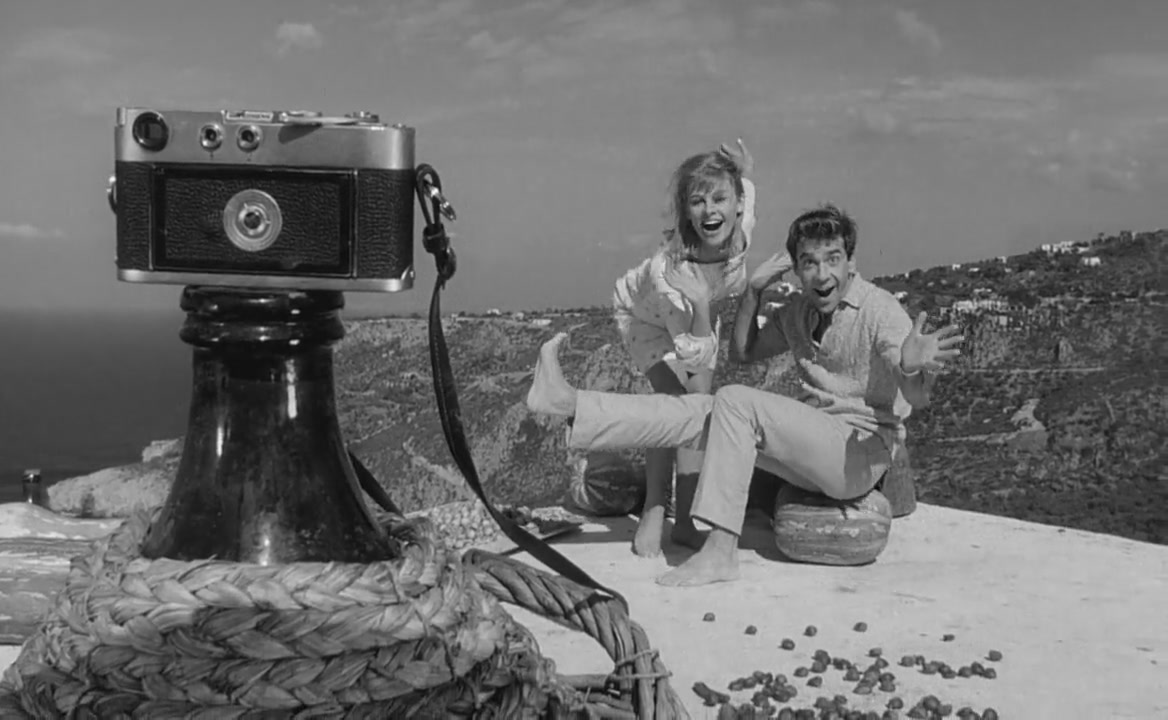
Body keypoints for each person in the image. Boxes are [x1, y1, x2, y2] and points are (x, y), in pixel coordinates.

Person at [529, 203, 964, 586]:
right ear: (796, 269)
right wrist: (754, 293)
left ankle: (720, 551)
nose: (822, 274)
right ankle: (569, 404)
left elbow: (916, 398)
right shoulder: (798, 312)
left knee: (733, 401)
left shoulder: (880, 309)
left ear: (852, 261)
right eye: (809, 263)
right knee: (703, 409)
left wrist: (910, 365)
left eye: (833, 260)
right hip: (813, 453)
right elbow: (743, 351)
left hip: (859, 454)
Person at [609, 139, 760, 557]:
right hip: (646, 319)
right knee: (678, 405)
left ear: (738, 205)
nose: (711, 211)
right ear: (685, 211)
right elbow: (695, 369)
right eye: (698, 201)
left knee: (698, 413)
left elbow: (748, 193)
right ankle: (656, 510)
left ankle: (690, 521)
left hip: (699, 312)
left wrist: (744, 171)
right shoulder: (671, 274)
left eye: (720, 199)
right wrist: (699, 305)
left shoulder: (740, 233)